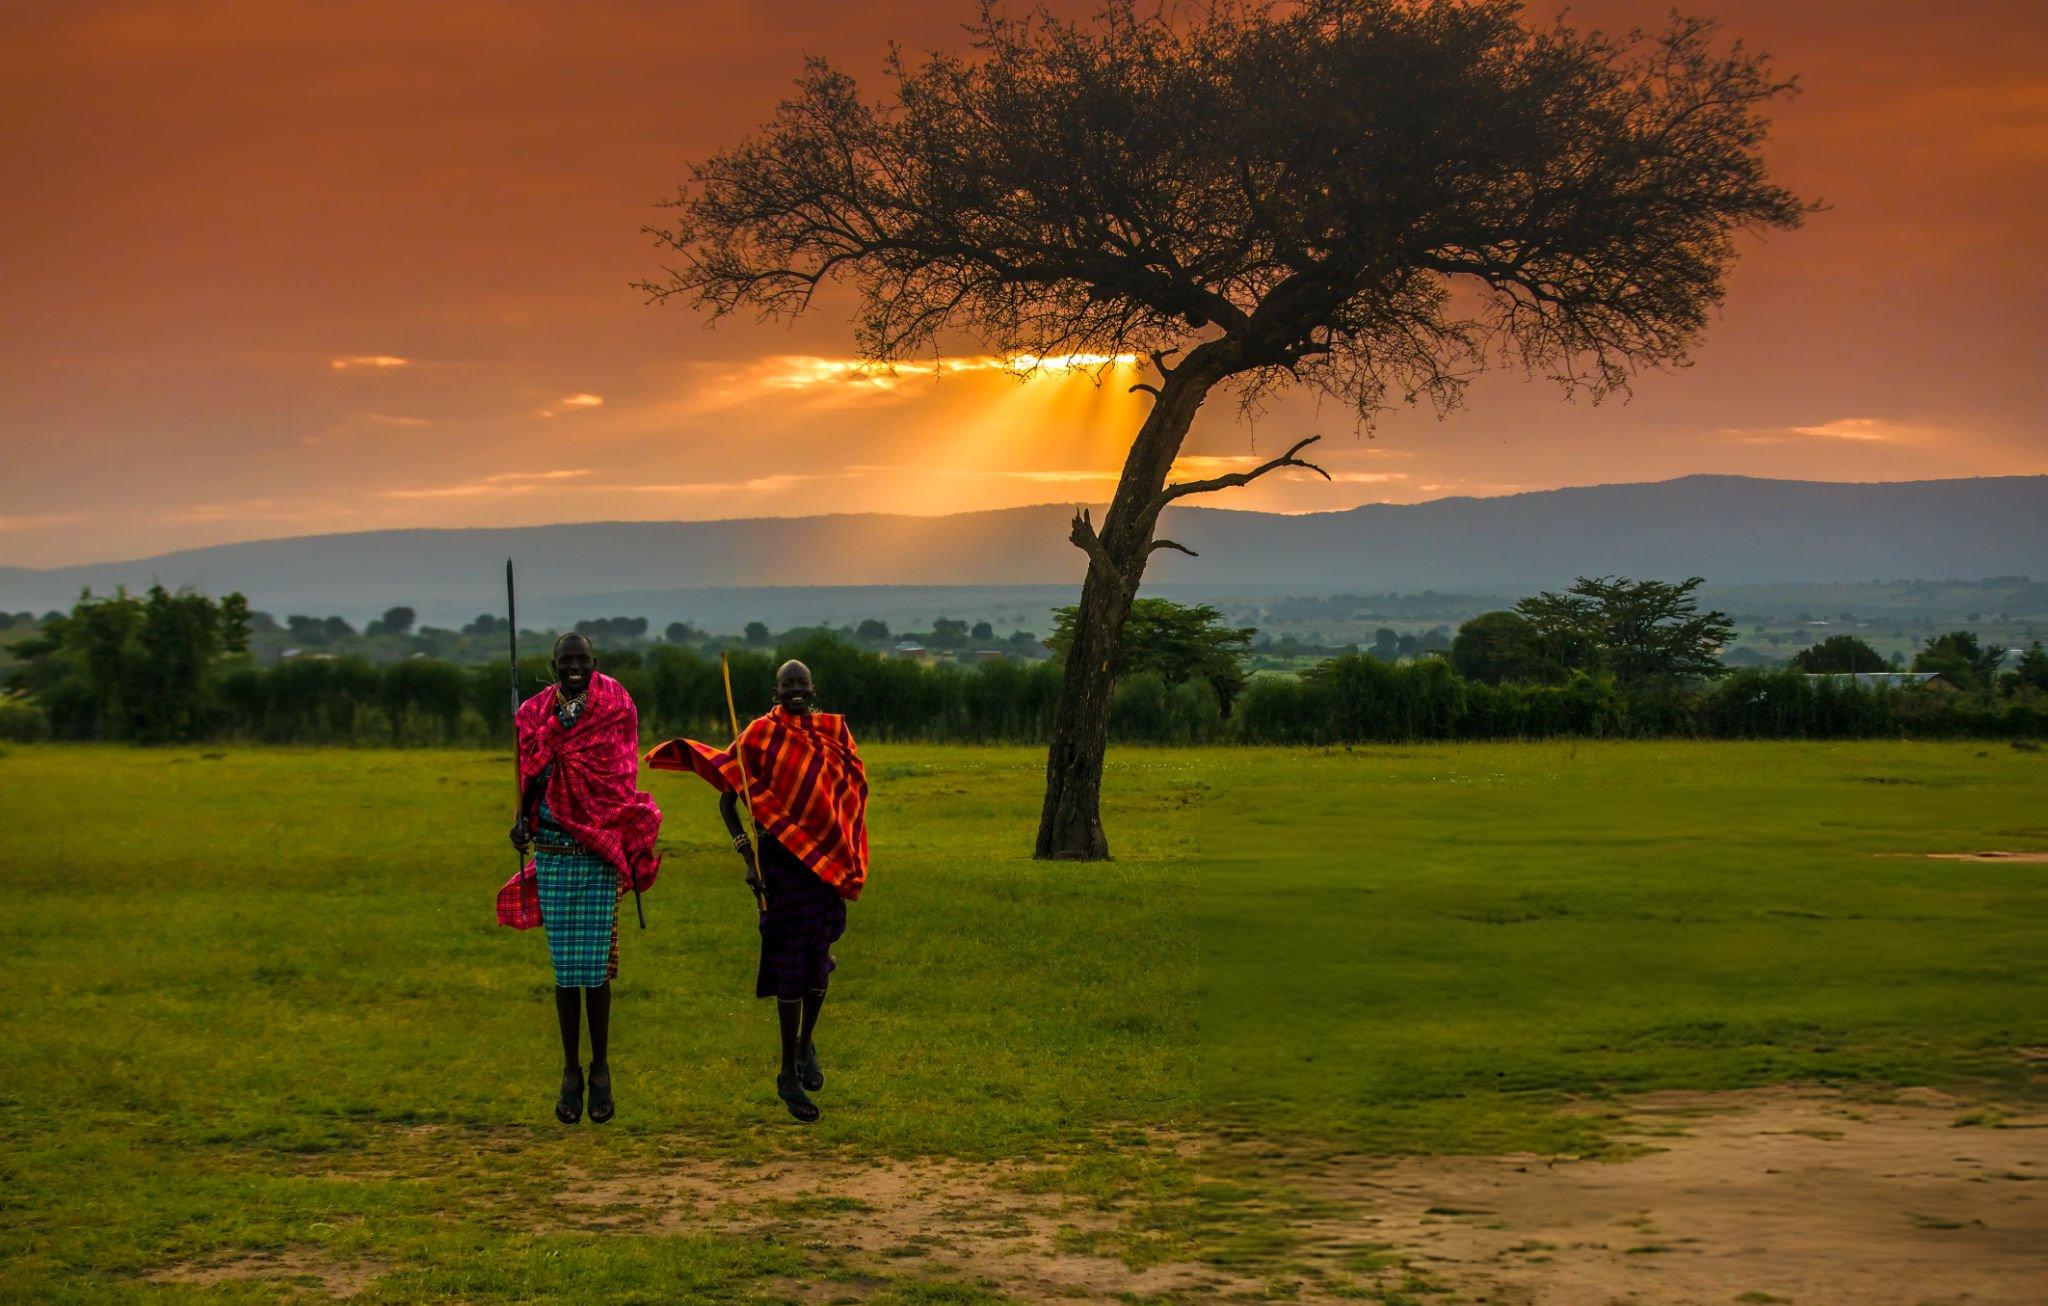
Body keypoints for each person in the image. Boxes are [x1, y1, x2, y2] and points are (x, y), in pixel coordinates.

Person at [646, 658, 868, 1123]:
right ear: (776, 690)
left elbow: (849, 792)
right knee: (791, 963)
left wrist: (843, 845)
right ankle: (787, 1072)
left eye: (801, 684)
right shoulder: (759, 735)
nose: (795, 691)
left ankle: (807, 1044)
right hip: (780, 865)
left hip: (824, 865)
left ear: (812, 688)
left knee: (818, 963)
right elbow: (728, 796)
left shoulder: (833, 734)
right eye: (787, 685)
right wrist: (747, 856)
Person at [501, 633, 662, 1125]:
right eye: (565, 660)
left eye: (582, 659)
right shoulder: (532, 714)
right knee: (565, 971)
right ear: (553, 665)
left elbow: (621, 777)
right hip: (552, 851)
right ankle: (571, 1071)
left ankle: (602, 1070)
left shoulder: (616, 705)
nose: (574, 666)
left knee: (594, 970)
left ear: (595, 662)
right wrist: (522, 820)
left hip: (596, 849)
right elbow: (530, 775)